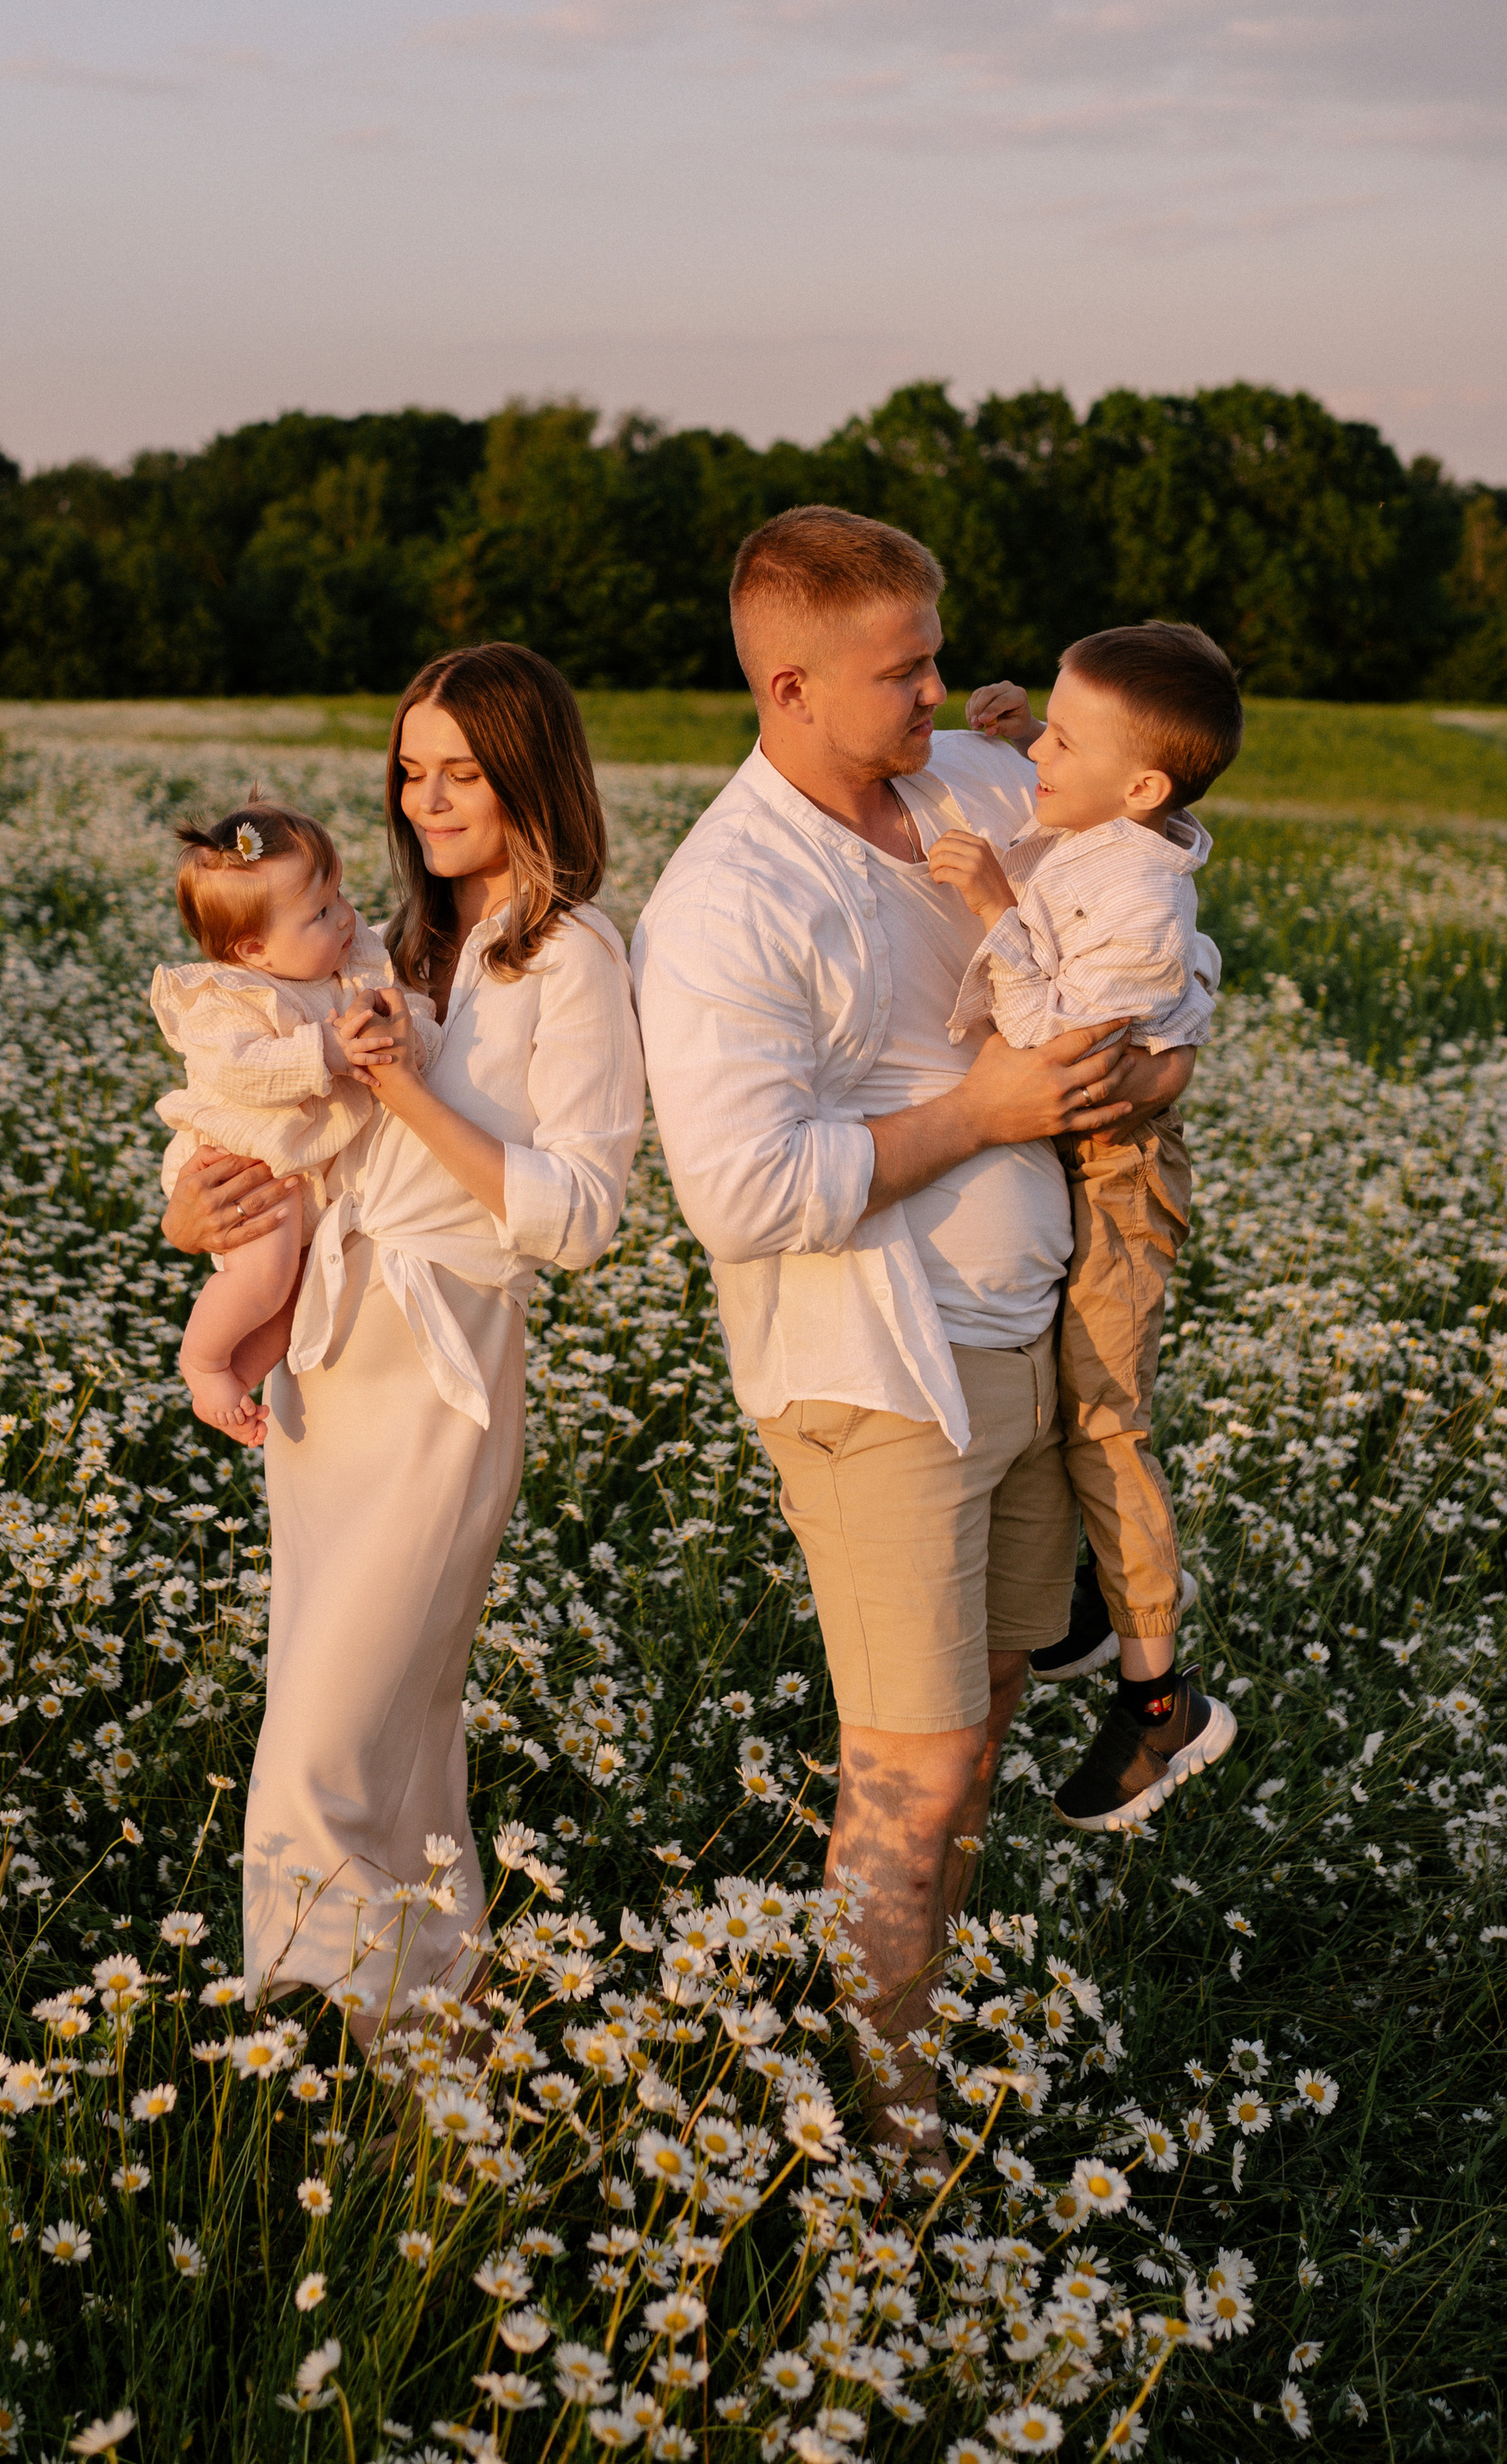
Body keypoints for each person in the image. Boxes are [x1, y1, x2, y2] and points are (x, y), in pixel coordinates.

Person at [631, 506, 1193, 2141]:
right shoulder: (726, 900)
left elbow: (1152, 913)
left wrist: (1161, 1053)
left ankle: (906, 2014)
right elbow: (738, 1194)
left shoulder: (957, 785)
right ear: (790, 685)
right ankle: (882, 2114)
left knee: (991, 1706)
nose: (944, 695)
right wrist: (988, 1105)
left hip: (1016, 1343)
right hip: (872, 1375)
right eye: (906, 671)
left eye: (938, 656)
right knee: (913, 1768)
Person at [163, 644, 644, 2039]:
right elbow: (268, 1116)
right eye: (411, 772)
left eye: (464, 773)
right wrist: (197, 1216)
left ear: (530, 774)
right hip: (327, 1355)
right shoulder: (393, 942)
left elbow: (582, 1214)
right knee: (405, 1750)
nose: (429, 802)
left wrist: (408, 1095)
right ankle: (436, 2063)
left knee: (323, 1751)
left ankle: (300, 2073)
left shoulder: (573, 956)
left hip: (442, 1362)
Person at [928, 626, 1242, 1829]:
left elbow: (1070, 1044)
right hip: (1074, 1163)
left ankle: (1162, 1702)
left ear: (1146, 787)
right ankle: (1081, 1611)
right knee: (1053, 1398)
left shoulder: (1149, 889)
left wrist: (998, 905)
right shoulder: (1108, 829)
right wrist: (1023, 748)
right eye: (1043, 721)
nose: (1039, 745)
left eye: (1064, 735)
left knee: (1108, 1424)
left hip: (1116, 1174)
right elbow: (1086, 809)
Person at [148, 799, 427, 1443]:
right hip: (247, 1163)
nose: (347, 918)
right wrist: (328, 1051)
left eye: (340, 896)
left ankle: (236, 1383)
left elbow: (407, 1011)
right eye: (322, 913)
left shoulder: (341, 967)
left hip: (297, 1172)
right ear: (255, 948)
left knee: (289, 1295)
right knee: (265, 1277)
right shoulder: (231, 997)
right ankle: (203, 1363)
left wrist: (406, 1031)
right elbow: (242, 1071)